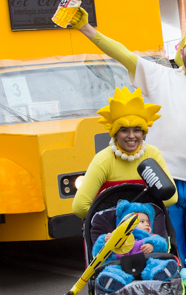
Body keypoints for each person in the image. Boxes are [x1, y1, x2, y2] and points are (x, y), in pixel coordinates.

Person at [70, 6, 186, 295]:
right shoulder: (161, 77)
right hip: (163, 182)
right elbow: (122, 54)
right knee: (169, 248)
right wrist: (87, 28)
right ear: (181, 51)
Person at [71, 87, 178, 219]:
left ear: (143, 132)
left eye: (137, 130)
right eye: (124, 130)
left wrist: (139, 215)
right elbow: (79, 207)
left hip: (147, 230)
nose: (131, 136)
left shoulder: (152, 154)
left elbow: (171, 197)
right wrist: (115, 218)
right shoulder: (104, 160)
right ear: (115, 133)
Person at [91, 201, 178, 292]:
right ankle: (113, 281)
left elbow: (162, 244)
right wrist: (105, 241)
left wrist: (152, 245)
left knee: (155, 263)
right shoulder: (116, 238)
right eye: (142, 221)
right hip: (120, 265)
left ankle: (161, 273)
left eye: (148, 221)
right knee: (112, 269)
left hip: (146, 262)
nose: (147, 224)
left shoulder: (150, 237)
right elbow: (97, 253)